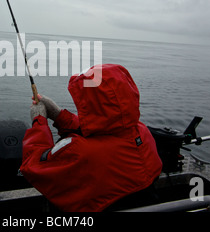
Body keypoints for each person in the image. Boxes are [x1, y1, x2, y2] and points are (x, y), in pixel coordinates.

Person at [19, 64, 162, 212]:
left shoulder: (81, 152)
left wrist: (38, 122)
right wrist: (59, 116)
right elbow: (104, 129)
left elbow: (34, 165)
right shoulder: (142, 132)